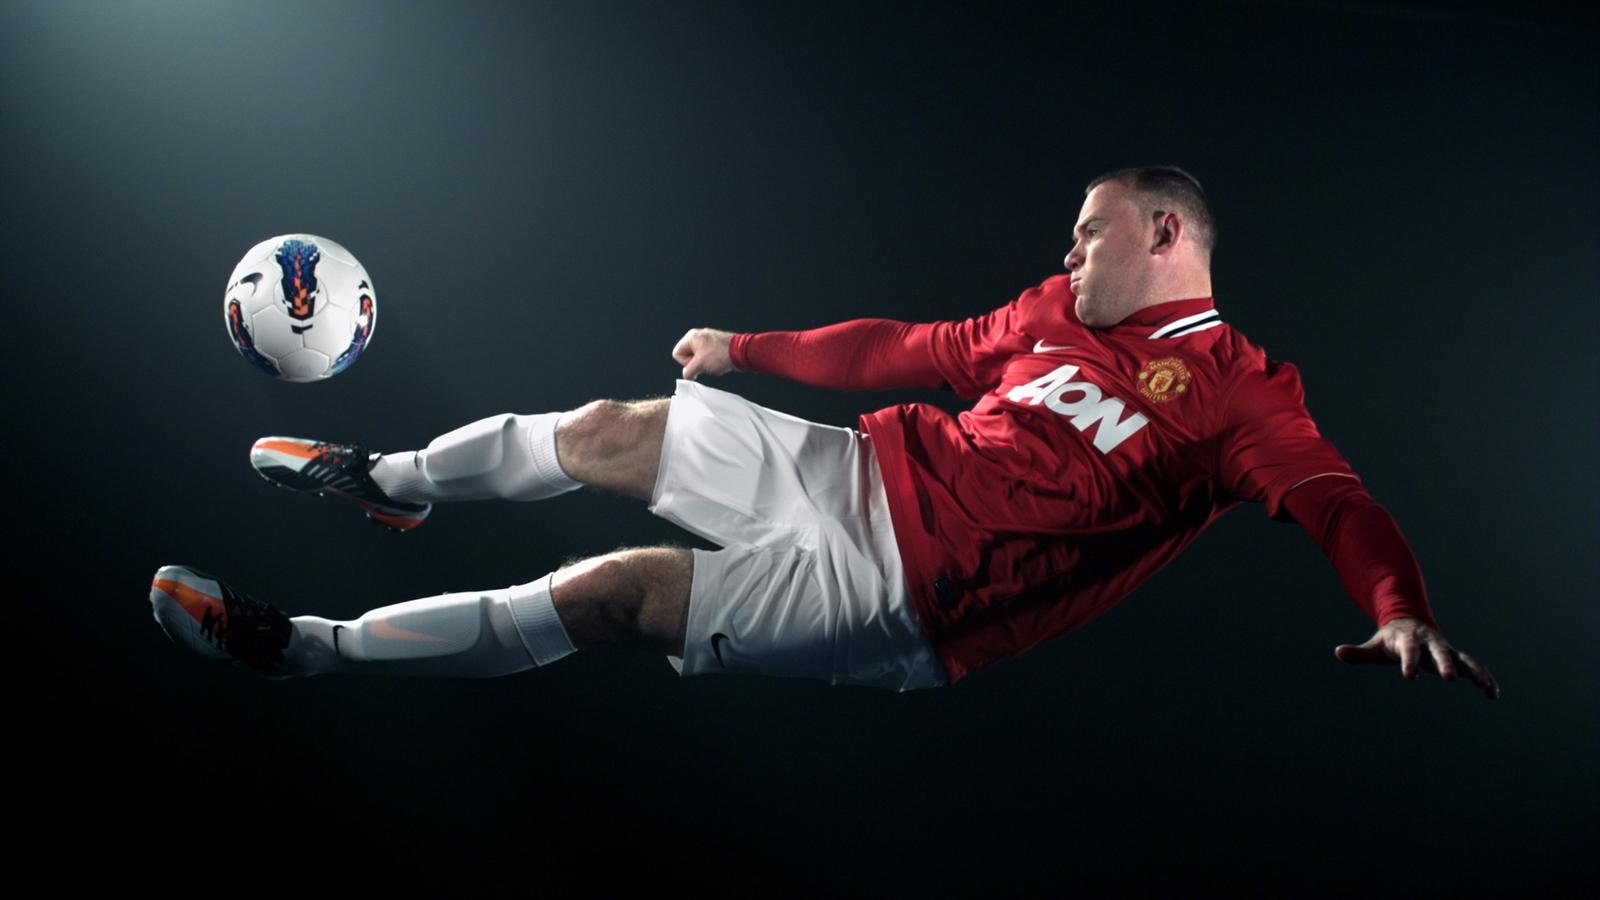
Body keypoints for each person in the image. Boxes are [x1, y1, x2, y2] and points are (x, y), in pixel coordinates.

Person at [149, 164, 1500, 700]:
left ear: (1163, 234)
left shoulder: (1244, 394)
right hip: (855, 469)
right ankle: (386, 480)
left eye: (1088, 232)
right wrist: (748, 350)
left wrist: (1399, 607)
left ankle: (303, 646)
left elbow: (1337, 505)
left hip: (902, 598)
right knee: (614, 427)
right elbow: (904, 351)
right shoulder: (1049, 315)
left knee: (608, 593)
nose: (1067, 251)